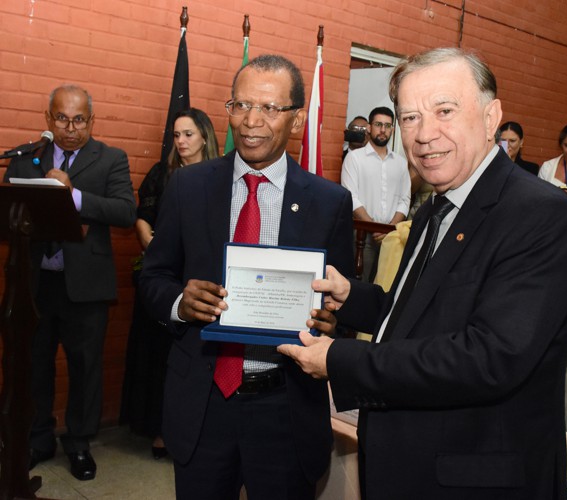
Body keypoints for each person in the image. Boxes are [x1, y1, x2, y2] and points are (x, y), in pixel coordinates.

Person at [279, 48, 567, 499]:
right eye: (410, 118)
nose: (424, 135)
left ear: (490, 117)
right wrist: (351, 298)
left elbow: (490, 357)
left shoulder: (540, 214)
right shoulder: (434, 210)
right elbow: (421, 315)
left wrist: (339, 360)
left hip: (474, 481)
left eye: (444, 111)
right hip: (407, 467)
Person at [138, 54, 354, 499]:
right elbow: (153, 277)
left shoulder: (329, 202)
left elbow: (341, 303)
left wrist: (332, 321)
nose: (252, 121)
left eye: (270, 108)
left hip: (285, 409)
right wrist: (180, 303)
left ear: (297, 119)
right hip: (202, 403)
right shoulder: (188, 186)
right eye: (241, 105)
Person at [3, 84, 136, 480]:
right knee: (35, 366)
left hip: (86, 288)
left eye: (79, 120)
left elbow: (125, 212)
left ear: (91, 121)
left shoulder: (110, 158)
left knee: (85, 368)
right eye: (62, 118)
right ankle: (38, 439)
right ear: (49, 119)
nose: (71, 128)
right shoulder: (25, 159)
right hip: (34, 284)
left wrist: (73, 196)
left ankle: (79, 444)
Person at [120, 108, 219, 460]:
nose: (181, 141)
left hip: (201, 278)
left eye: (188, 134)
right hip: (165, 281)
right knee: (157, 358)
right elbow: (142, 219)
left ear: (205, 136)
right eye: (176, 135)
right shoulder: (162, 174)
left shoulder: (219, 177)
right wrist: (159, 249)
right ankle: (158, 428)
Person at [341, 106, 411, 281]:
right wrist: (374, 227)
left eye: (387, 126)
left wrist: (390, 228)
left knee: (386, 286)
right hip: (362, 236)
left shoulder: (401, 163)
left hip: (392, 236)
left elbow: (405, 199)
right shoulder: (354, 158)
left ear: (392, 130)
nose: (383, 130)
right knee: (360, 284)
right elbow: (351, 197)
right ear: (369, 127)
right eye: (378, 124)